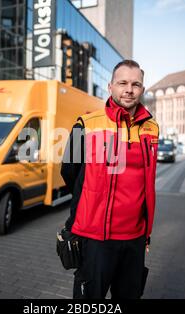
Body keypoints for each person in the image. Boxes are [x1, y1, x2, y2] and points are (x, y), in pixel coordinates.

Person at [60, 60, 159, 299]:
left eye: (136, 84)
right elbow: (68, 171)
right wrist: (90, 203)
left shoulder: (151, 128)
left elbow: (148, 181)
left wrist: (146, 231)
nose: (129, 89)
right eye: (122, 83)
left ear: (142, 89)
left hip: (135, 238)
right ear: (110, 86)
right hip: (95, 239)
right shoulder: (85, 125)